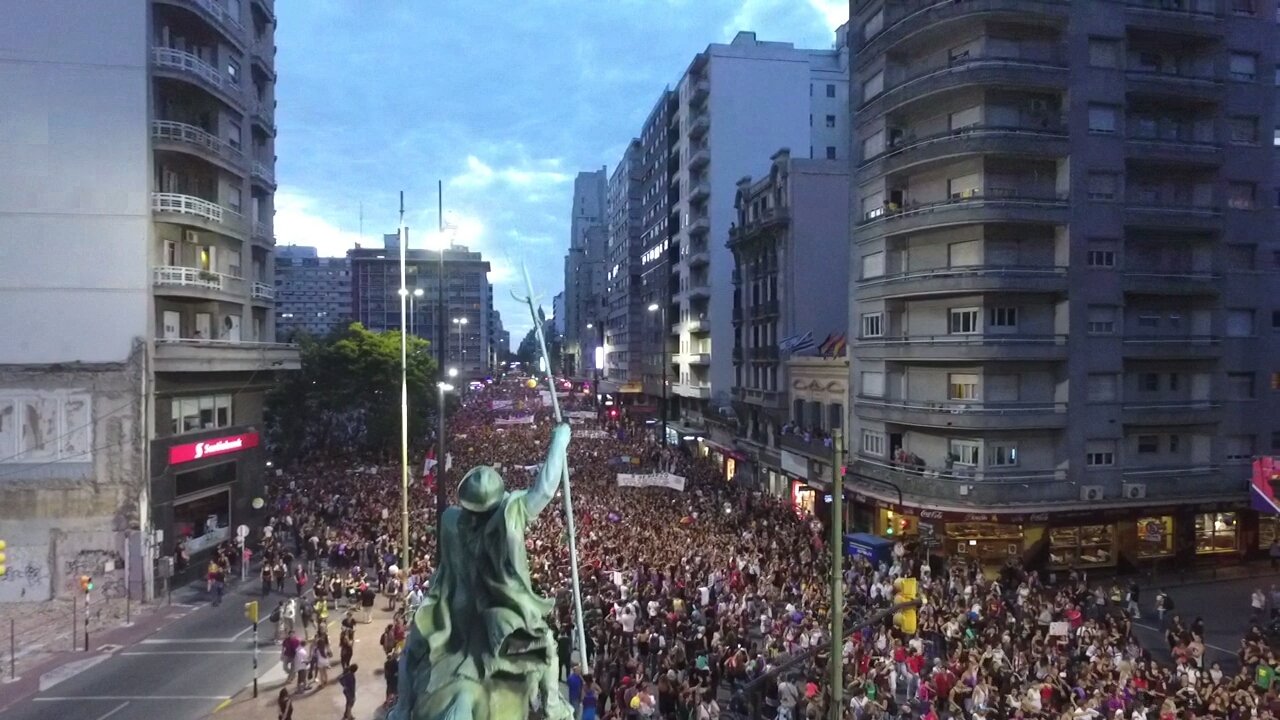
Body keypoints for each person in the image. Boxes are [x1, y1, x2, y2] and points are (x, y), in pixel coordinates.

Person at [392, 424, 574, 720]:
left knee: (414, 647)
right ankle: (552, 704)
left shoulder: (451, 519)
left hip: (453, 606)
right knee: (547, 646)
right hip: (499, 608)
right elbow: (543, 489)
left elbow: (444, 568)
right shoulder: (507, 515)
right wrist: (560, 441)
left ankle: (402, 708)